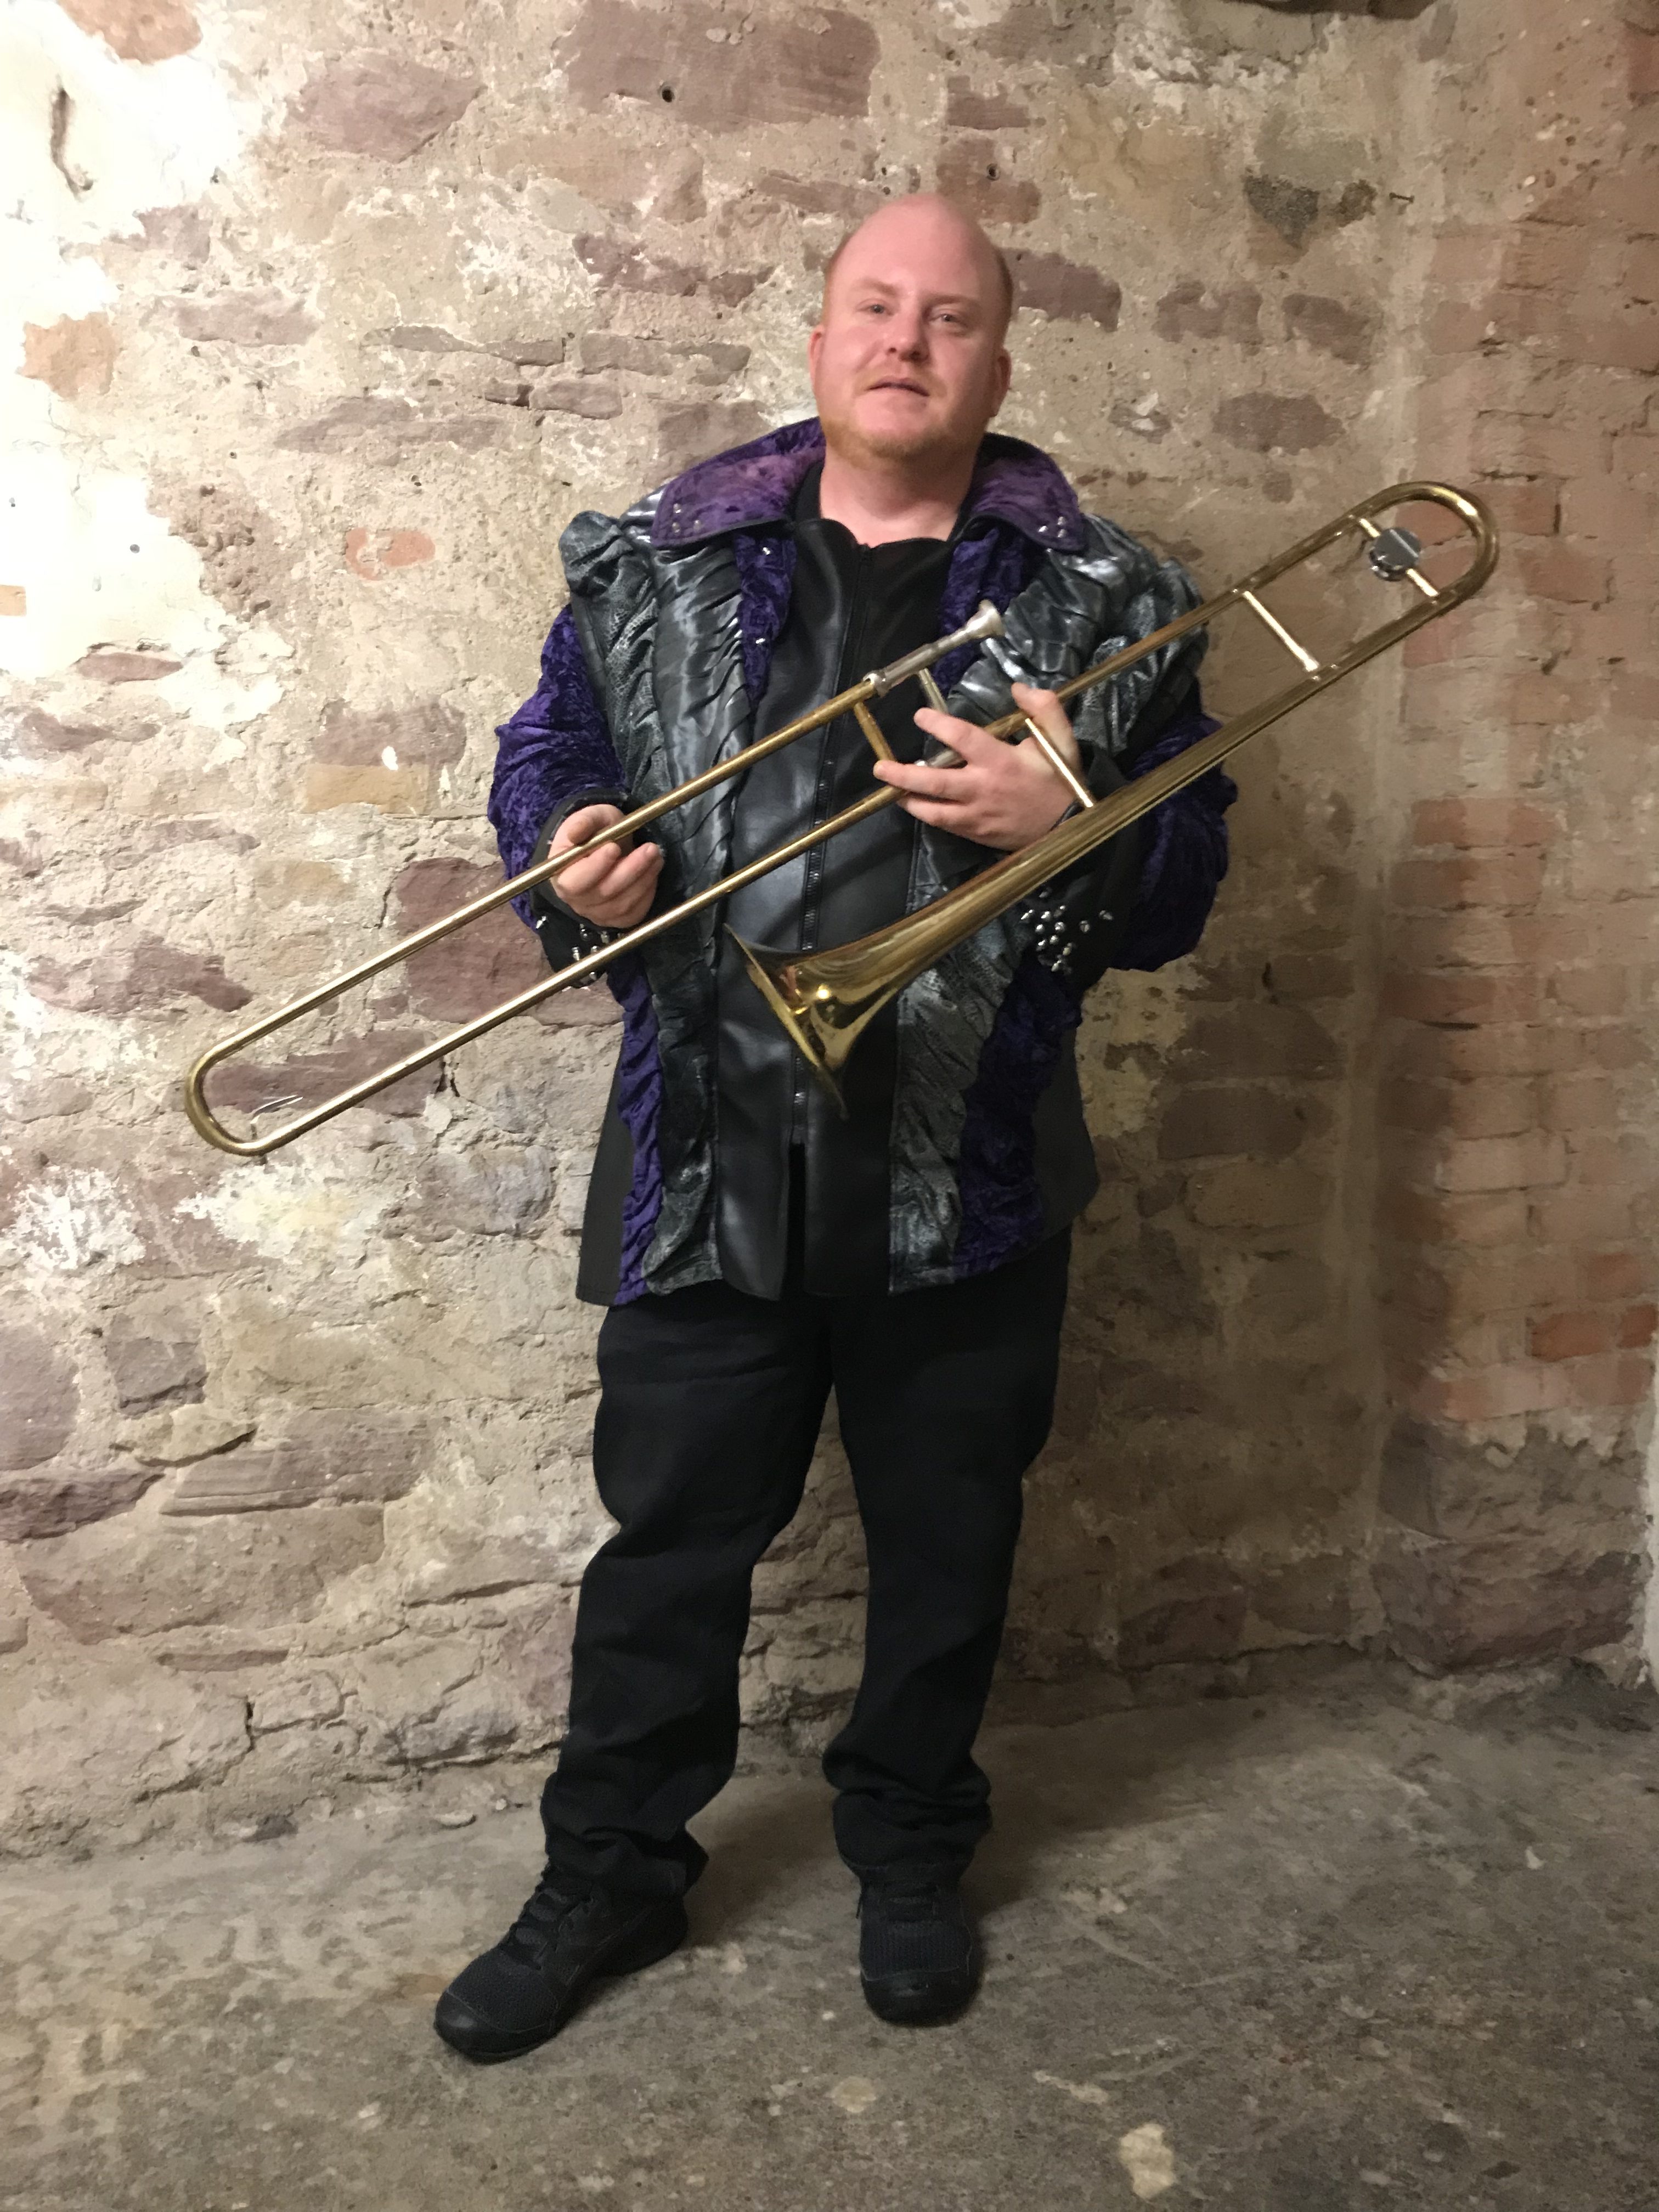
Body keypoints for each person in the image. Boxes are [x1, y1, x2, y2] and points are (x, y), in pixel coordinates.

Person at [435, 193, 1235, 2064]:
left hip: (973, 1165)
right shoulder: (657, 562)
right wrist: (567, 852)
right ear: (818, 340)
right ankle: (613, 1870)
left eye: (949, 318)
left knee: (949, 1544)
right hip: (705, 1147)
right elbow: (553, 755)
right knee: (667, 1548)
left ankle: (910, 1850)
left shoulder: (1111, 597)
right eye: (875, 306)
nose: (905, 341)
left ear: (999, 362)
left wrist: (1074, 824)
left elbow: (1189, 872)